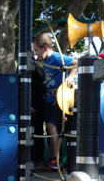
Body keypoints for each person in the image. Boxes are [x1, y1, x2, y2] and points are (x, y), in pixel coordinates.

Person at [32, 33, 78, 171]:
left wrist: (70, 77)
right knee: (50, 129)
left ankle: (55, 160)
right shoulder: (45, 61)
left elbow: (76, 63)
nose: (36, 54)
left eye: (36, 50)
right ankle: (55, 159)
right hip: (50, 99)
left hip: (59, 99)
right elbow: (53, 77)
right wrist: (48, 84)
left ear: (44, 48)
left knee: (51, 127)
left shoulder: (56, 57)